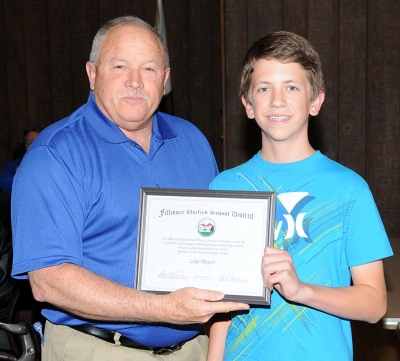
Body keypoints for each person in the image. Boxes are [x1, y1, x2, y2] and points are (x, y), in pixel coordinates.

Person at [11, 16, 249, 361]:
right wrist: (163, 309)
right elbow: (48, 280)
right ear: (93, 74)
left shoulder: (193, 141)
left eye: (149, 69)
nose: (135, 81)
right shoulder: (55, 154)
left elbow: (213, 239)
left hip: (193, 348)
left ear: (165, 79)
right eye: (120, 66)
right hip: (98, 349)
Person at [207, 31, 393, 361]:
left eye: (291, 87)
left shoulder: (350, 189)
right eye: (264, 89)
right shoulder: (223, 187)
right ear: (248, 105)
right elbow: (221, 305)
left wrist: (302, 290)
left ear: (315, 101)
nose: (277, 100)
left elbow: (375, 304)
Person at [0, 126, 42, 196]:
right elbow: (4, 184)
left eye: (35, 141)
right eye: (28, 142)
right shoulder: (14, 165)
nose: (31, 145)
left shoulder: (54, 162)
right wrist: (18, 171)